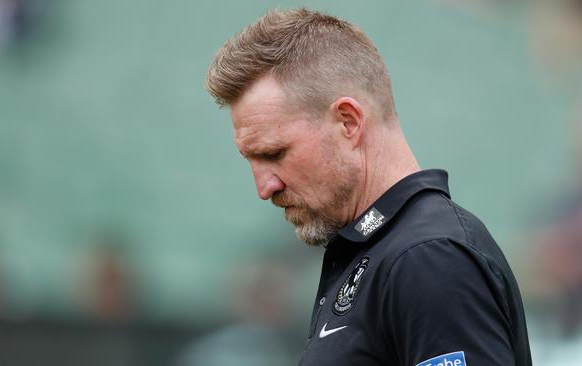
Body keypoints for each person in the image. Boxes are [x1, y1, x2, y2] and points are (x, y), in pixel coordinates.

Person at [205, 8, 532, 366]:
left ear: (348, 122)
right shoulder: (378, 252)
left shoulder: (428, 258)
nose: (264, 187)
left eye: (275, 153)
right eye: (250, 159)